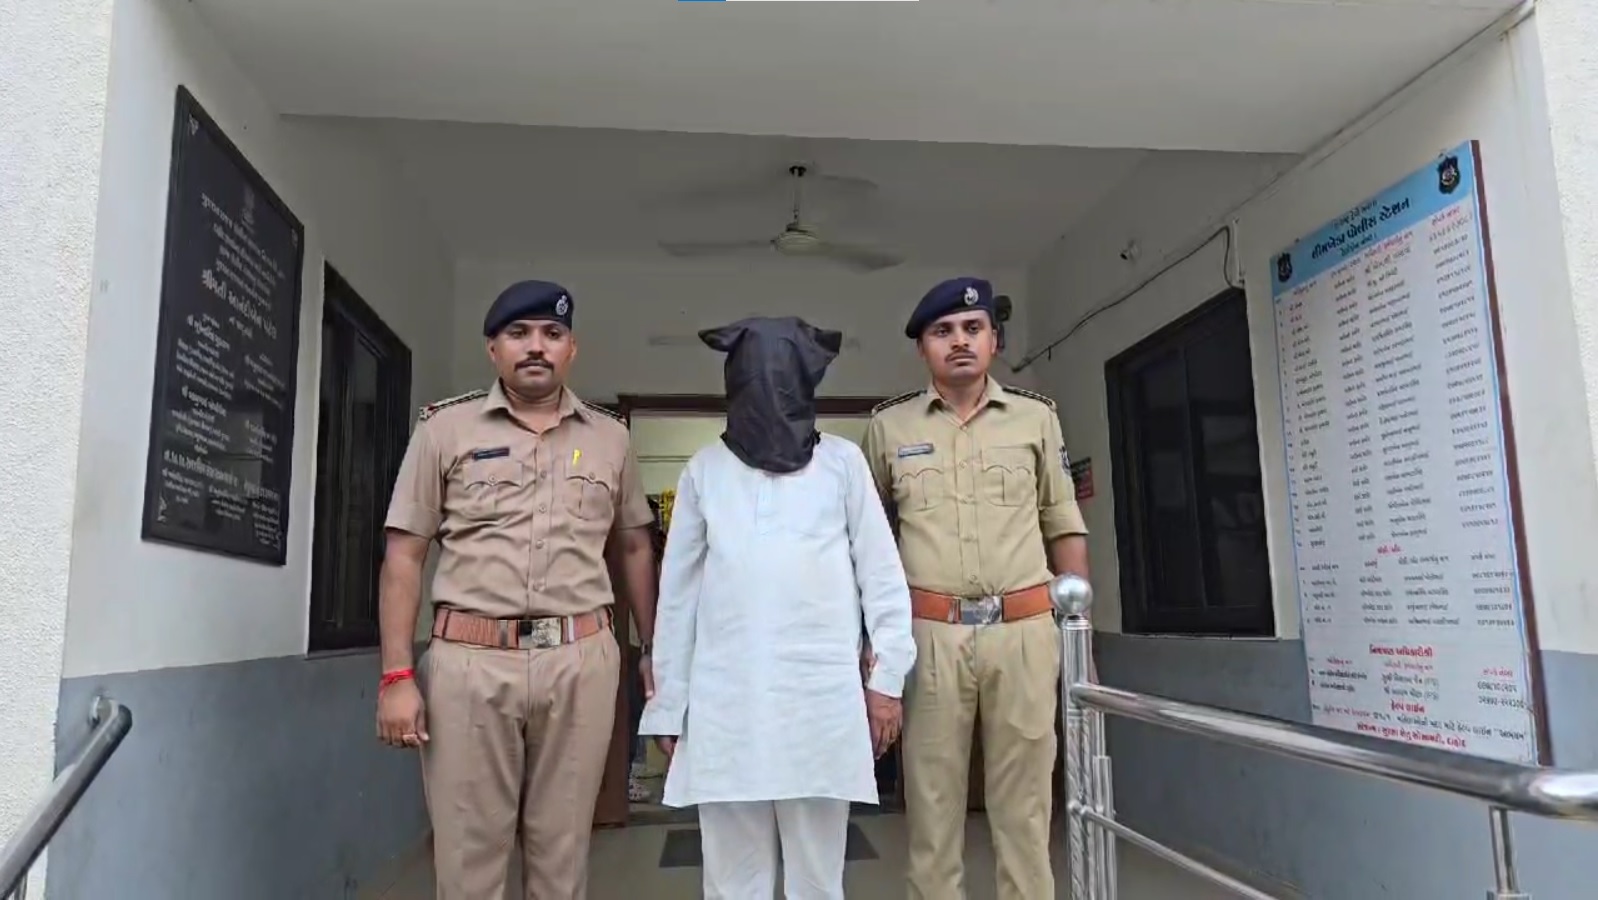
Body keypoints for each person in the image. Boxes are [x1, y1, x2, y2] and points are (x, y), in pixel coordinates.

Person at [374, 279, 659, 900]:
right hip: (470, 662)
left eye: (552, 334)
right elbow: (404, 555)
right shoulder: (444, 431)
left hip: (579, 661)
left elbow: (635, 546)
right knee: (468, 860)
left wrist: (653, 650)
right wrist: (397, 676)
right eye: (518, 333)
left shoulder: (610, 438)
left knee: (563, 858)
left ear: (571, 349)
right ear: (492, 349)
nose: (536, 346)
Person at [639, 316, 917, 900]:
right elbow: (678, 598)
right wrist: (668, 705)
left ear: (805, 386)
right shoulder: (704, 471)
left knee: (818, 879)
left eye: (782, 384)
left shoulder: (843, 464)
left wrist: (887, 682)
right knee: (732, 882)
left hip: (820, 704)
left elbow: (882, 578)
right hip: (726, 708)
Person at [861, 276, 1090, 900]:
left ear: (994, 340)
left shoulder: (1036, 418)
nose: (959, 341)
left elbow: (1063, 523)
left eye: (972, 328)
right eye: (942, 332)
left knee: (1026, 810)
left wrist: (1080, 638)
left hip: (1025, 631)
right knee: (932, 809)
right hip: (929, 636)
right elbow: (871, 544)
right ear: (922, 348)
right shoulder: (888, 427)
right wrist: (875, 641)